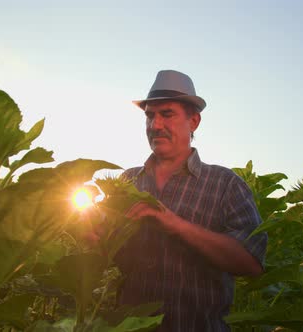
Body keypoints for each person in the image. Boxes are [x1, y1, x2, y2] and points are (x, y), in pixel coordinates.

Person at [113, 70, 268, 332]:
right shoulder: (126, 182)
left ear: (194, 121)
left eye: (167, 114)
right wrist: (98, 240)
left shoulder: (225, 184)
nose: (155, 125)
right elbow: (113, 261)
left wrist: (176, 225)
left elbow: (251, 262)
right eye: (150, 115)